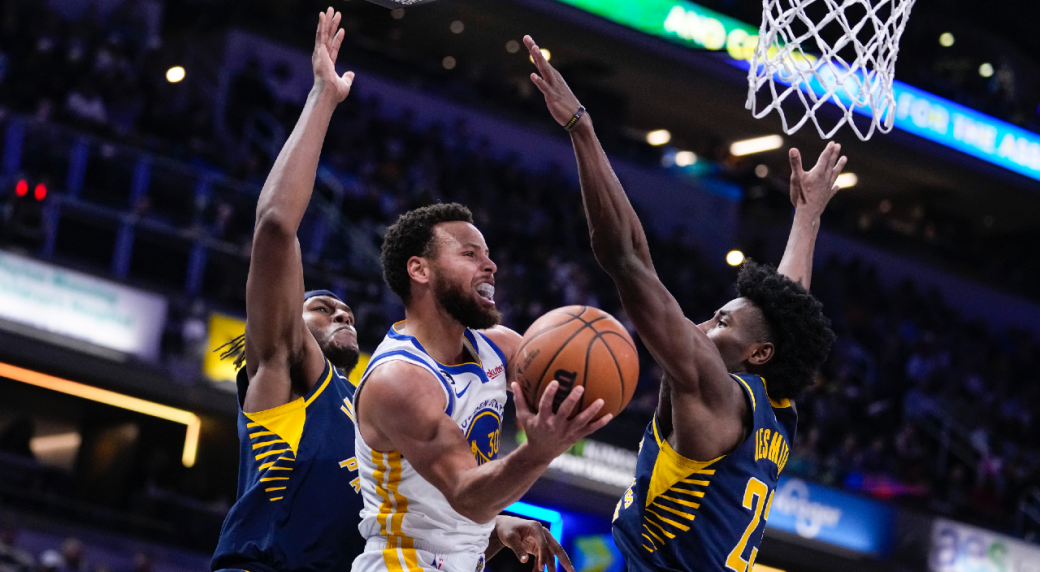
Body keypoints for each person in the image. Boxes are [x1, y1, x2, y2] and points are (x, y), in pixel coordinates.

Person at [212, 10, 568, 571]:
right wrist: (323, 98)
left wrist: (498, 525)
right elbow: (276, 227)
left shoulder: (375, 403)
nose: (342, 314)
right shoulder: (281, 375)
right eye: (321, 307)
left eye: (346, 310)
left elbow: (403, 513)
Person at [525, 35, 840, 572]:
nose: (703, 325)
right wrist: (806, 217)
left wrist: (582, 128)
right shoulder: (776, 410)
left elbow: (627, 258)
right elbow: (787, 310)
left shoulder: (713, 390)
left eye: (721, 322)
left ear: (757, 354)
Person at [351, 201, 613, 572]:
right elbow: (467, 497)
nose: (490, 265)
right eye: (470, 254)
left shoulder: (500, 347)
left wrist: (494, 528)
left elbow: (577, 385)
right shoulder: (399, 379)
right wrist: (539, 451)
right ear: (419, 270)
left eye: (487, 255)